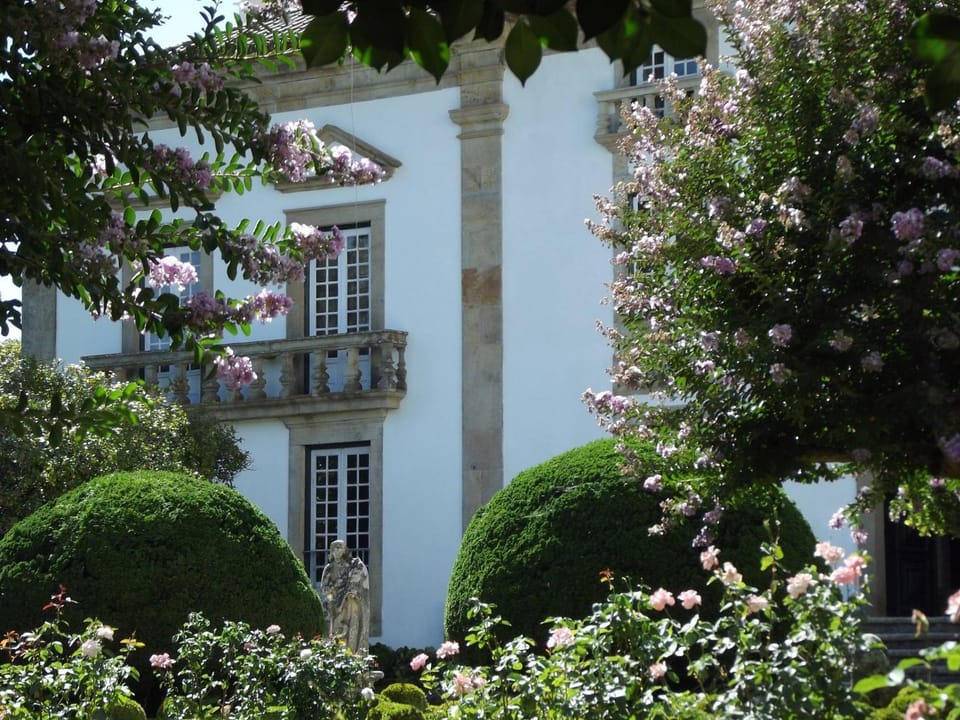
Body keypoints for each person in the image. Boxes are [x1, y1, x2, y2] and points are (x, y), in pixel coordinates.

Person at [319, 540, 370, 653]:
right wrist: (334, 587)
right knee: (335, 631)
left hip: (349, 603)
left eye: (340, 547)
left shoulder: (351, 566)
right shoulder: (328, 568)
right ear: (331, 551)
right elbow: (323, 589)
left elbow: (357, 582)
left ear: (345, 551)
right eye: (334, 548)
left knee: (351, 627)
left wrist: (350, 590)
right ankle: (336, 655)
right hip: (333, 604)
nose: (337, 550)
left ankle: (351, 654)